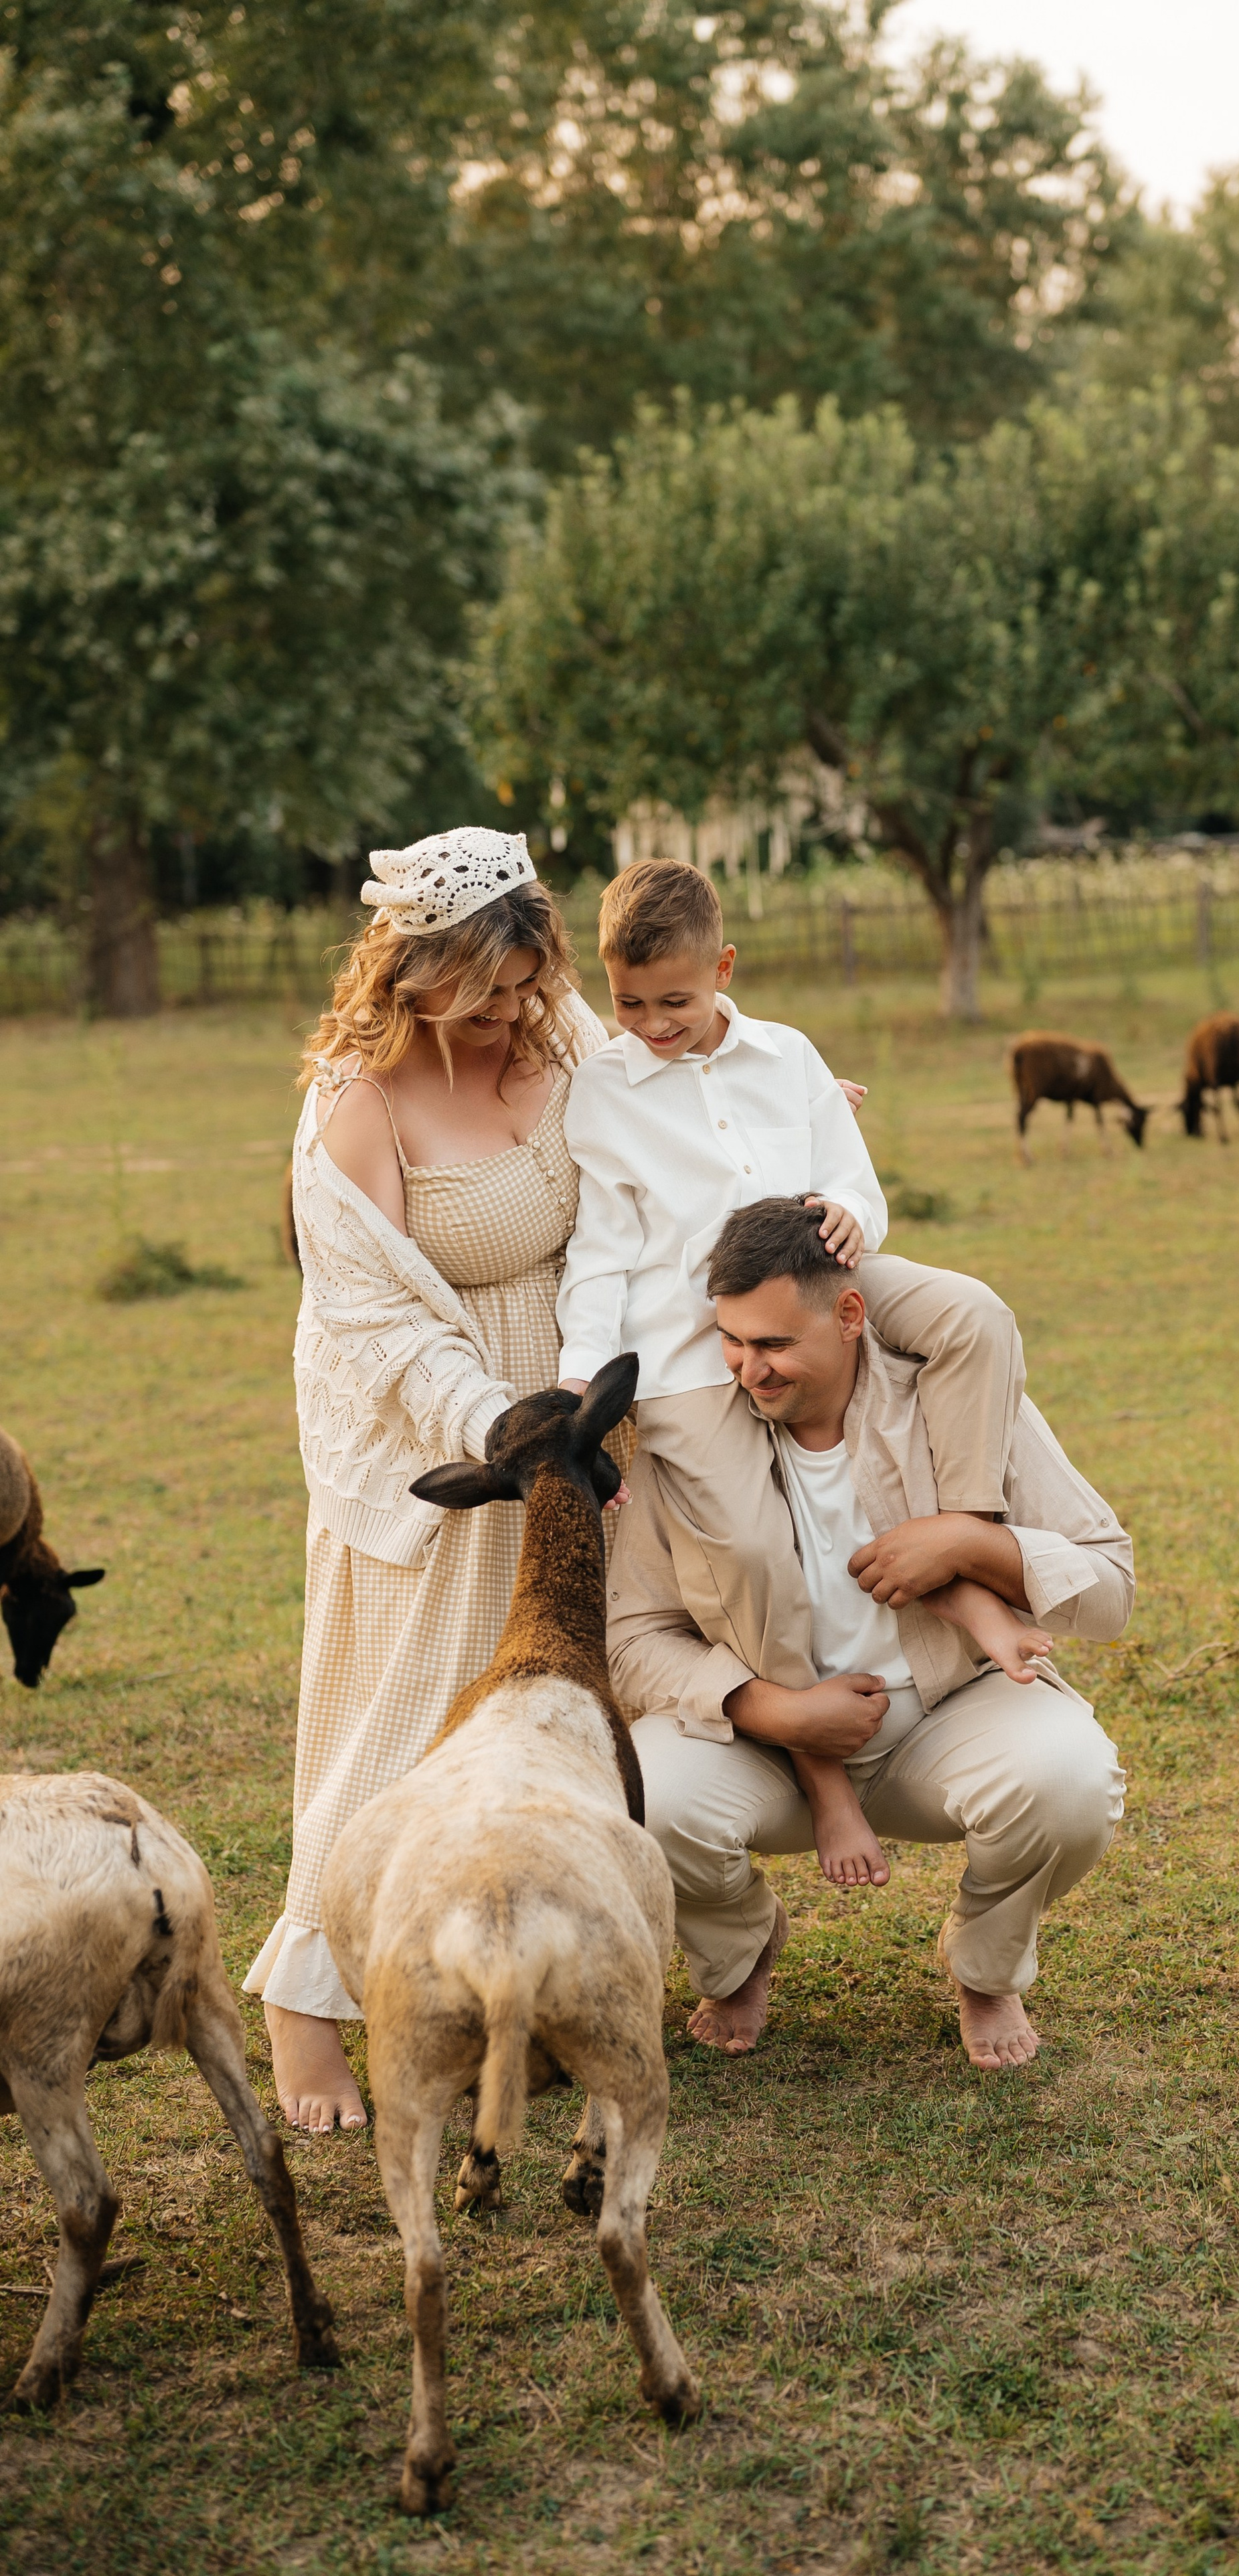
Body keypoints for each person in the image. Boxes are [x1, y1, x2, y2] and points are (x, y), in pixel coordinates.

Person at [558, 858, 1027, 1895]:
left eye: (675, 1001)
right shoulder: (605, 1087)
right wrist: (582, 1392)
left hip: (822, 1284)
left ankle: (965, 1544)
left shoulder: (789, 1055)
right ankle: (822, 1774)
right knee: (751, 1551)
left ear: (722, 970)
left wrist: (856, 1214)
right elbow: (599, 1250)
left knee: (974, 1316)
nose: (651, 1023)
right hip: (691, 1347)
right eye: (629, 1003)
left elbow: (849, 1173)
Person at [244, 827, 617, 2134]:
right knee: (399, 1719)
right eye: (488, 993)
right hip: (445, 1445)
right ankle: (305, 1999)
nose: (516, 1013)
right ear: (419, 972)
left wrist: (783, 1110)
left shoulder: (558, 1031)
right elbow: (381, 1324)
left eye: (528, 984)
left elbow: (659, 1125)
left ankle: (504, 1975)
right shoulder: (360, 1105)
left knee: (537, 1717)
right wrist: (506, 1433)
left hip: (570, 1416)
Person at [606, 1196, 1133, 2073]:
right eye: (731, 1341)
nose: (748, 1370)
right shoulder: (694, 1443)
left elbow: (1111, 1589)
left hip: (948, 1713)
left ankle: (987, 1965)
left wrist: (971, 1544)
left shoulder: (957, 1400)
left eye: (774, 1344)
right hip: (766, 1752)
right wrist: (769, 1709)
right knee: (640, 1796)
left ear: (851, 1315)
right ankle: (740, 1947)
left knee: (1070, 1781)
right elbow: (633, 1638)